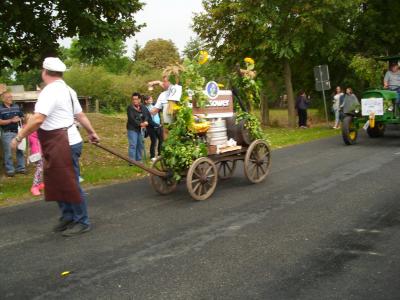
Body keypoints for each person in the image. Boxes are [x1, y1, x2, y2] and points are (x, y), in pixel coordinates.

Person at [11, 57, 100, 237]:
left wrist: (19, 136)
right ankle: (68, 216)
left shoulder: (50, 92)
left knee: (70, 183)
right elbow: (80, 115)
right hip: (60, 141)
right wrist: (91, 132)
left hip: (62, 142)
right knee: (56, 181)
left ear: (44, 72)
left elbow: (38, 119)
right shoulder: (68, 90)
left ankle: (82, 220)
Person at [0, 91, 26, 177]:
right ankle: (10, 170)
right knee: (8, 152)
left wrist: (20, 118)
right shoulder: (0, 108)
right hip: (7, 133)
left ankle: (21, 168)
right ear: (3, 99)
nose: (11, 98)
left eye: (11, 97)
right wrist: (11, 120)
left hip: (18, 132)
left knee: (20, 150)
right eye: (9, 97)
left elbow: (22, 116)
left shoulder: (16, 106)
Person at [25, 114, 44, 196]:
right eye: (30, 119)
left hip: (42, 151)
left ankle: (39, 184)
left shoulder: (37, 128)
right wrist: (27, 156)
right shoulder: (28, 130)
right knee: (39, 169)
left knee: (42, 168)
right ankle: (34, 186)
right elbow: (28, 144)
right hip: (36, 152)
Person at [127, 92, 148, 162]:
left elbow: (146, 115)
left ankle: (138, 160)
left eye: (136, 99)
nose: (134, 101)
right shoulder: (130, 108)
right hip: (132, 129)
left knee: (140, 145)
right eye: (133, 99)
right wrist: (140, 124)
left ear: (139, 100)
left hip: (140, 129)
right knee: (133, 145)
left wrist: (145, 121)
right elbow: (131, 119)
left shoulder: (143, 107)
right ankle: (132, 161)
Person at [143, 95, 163, 161]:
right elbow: (148, 119)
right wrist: (156, 125)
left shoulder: (154, 105)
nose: (151, 100)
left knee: (161, 140)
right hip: (151, 127)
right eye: (149, 99)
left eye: (151, 99)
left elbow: (159, 111)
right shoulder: (144, 108)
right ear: (146, 101)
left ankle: (160, 154)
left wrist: (159, 124)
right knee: (154, 141)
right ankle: (152, 156)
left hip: (158, 126)